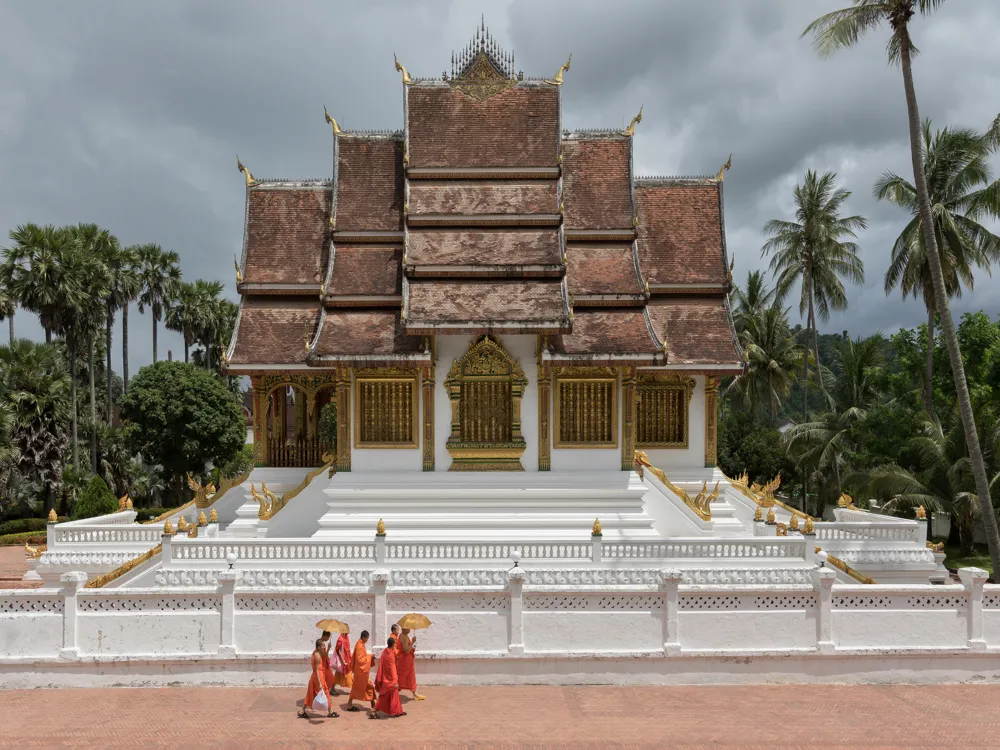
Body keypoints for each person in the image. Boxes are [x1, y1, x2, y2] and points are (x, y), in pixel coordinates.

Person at [299, 639, 338, 719]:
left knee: (310, 693)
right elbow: (316, 670)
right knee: (326, 692)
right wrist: (320, 682)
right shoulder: (317, 655)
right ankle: (330, 711)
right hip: (318, 676)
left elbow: (324, 656)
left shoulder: (317, 652)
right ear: (319, 647)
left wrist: (328, 648)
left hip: (315, 676)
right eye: (323, 645)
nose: (324, 647)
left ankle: (302, 710)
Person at [370, 637, 404, 719]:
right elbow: (392, 669)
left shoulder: (385, 652)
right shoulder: (390, 655)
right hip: (390, 680)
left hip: (385, 678)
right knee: (384, 697)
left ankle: (397, 711)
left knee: (394, 695)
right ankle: (373, 710)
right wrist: (395, 681)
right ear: (393, 645)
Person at [346, 630, 376, 713]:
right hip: (361, 672)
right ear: (363, 637)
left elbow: (362, 657)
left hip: (362, 671)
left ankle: (372, 703)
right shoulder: (359, 645)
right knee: (367, 686)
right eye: (366, 638)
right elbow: (360, 660)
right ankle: (372, 704)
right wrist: (370, 657)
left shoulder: (361, 644)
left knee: (365, 687)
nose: (367, 640)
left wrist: (369, 657)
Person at [396, 627, 424, 700]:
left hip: (406, 660)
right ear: (404, 629)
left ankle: (414, 694)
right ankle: (394, 693)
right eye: (408, 628)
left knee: (410, 676)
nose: (409, 630)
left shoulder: (403, 635)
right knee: (402, 677)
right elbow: (406, 650)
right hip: (405, 661)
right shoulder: (404, 637)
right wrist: (412, 642)